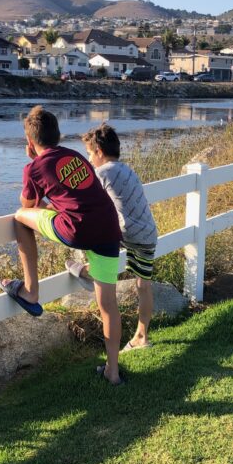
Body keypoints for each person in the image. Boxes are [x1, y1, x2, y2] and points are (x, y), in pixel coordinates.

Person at [1, 105, 124, 385]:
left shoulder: (34, 168)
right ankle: (113, 372)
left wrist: (33, 163)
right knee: (109, 305)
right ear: (58, 135)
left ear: (29, 141)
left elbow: (28, 204)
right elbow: (76, 194)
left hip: (78, 230)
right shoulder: (76, 156)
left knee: (19, 218)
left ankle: (31, 291)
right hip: (108, 226)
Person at [70, 123, 158, 352]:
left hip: (130, 234)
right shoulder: (126, 169)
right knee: (144, 285)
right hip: (147, 233)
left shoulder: (102, 172)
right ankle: (142, 336)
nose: (89, 159)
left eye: (89, 154)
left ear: (99, 151)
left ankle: (87, 270)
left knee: (94, 234)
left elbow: (80, 198)